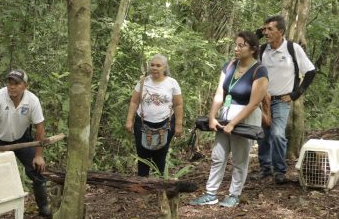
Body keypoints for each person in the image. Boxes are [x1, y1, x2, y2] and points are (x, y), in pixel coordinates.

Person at [190, 32, 268, 208]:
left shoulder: (259, 70)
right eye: (236, 44)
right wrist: (212, 117)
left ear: (253, 49)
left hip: (245, 117)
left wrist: (234, 123)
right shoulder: (230, 65)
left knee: (240, 159)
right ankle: (211, 193)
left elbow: (254, 102)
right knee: (218, 156)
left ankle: (234, 194)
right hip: (225, 115)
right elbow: (220, 93)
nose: (236, 48)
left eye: (241, 45)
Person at [0, 69, 52, 218]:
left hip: (22, 138)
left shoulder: (32, 101)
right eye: (10, 83)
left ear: (25, 85)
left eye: (16, 83)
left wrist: (39, 155)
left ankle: (43, 208)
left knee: (38, 170)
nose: (12, 87)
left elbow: (40, 127)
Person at [252, 15, 316, 184]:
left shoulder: (292, 48)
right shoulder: (263, 50)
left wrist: (297, 93)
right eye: (264, 29)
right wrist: (256, 35)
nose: (266, 32)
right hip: (262, 100)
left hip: (282, 100)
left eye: (270, 29)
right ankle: (265, 169)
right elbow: (246, 55)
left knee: (278, 134)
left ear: (280, 31)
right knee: (263, 136)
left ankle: (279, 170)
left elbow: (310, 71)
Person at [125, 54, 183, 177]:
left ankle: (160, 184)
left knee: (161, 155)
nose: (154, 68)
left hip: (165, 124)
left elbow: (178, 105)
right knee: (143, 154)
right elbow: (134, 101)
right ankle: (142, 184)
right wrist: (129, 120)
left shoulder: (172, 83)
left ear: (165, 67)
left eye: (158, 65)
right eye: (152, 65)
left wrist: (178, 125)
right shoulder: (143, 82)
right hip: (142, 124)